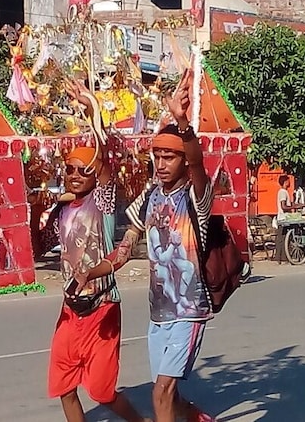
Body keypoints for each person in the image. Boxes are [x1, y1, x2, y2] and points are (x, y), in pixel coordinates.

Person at [83, 68, 217, 422]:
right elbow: (125, 249)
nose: (161, 164)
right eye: (157, 157)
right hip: (158, 315)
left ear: (183, 162)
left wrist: (182, 124)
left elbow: (199, 164)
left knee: (161, 392)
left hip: (189, 310)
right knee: (168, 397)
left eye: (169, 157)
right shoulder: (151, 197)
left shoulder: (196, 198)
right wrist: (92, 273)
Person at [39, 82, 150, 422]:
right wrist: (38, 210)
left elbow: (103, 162)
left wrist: (93, 111)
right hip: (70, 309)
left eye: (82, 170)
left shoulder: (101, 204)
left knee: (101, 392)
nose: (74, 175)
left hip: (101, 307)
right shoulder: (64, 208)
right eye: (69, 169)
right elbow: (42, 245)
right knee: (62, 386)